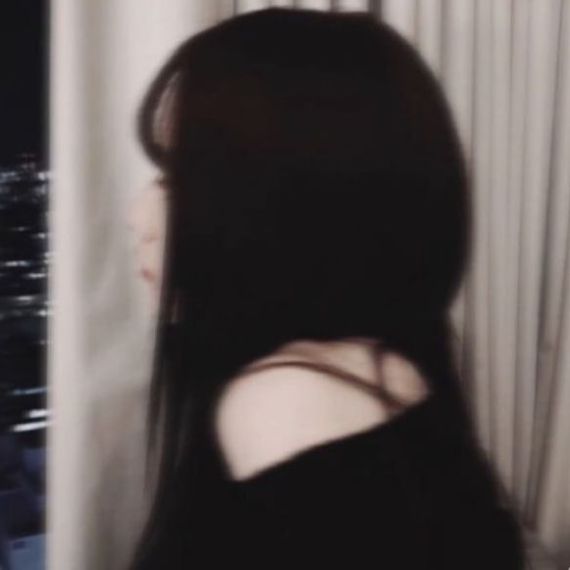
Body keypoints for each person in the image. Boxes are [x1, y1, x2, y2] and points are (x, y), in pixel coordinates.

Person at [126, 7, 526, 569]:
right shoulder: (382, 364)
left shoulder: (288, 402)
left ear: (287, 205)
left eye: (177, 177)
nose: (139, 215)